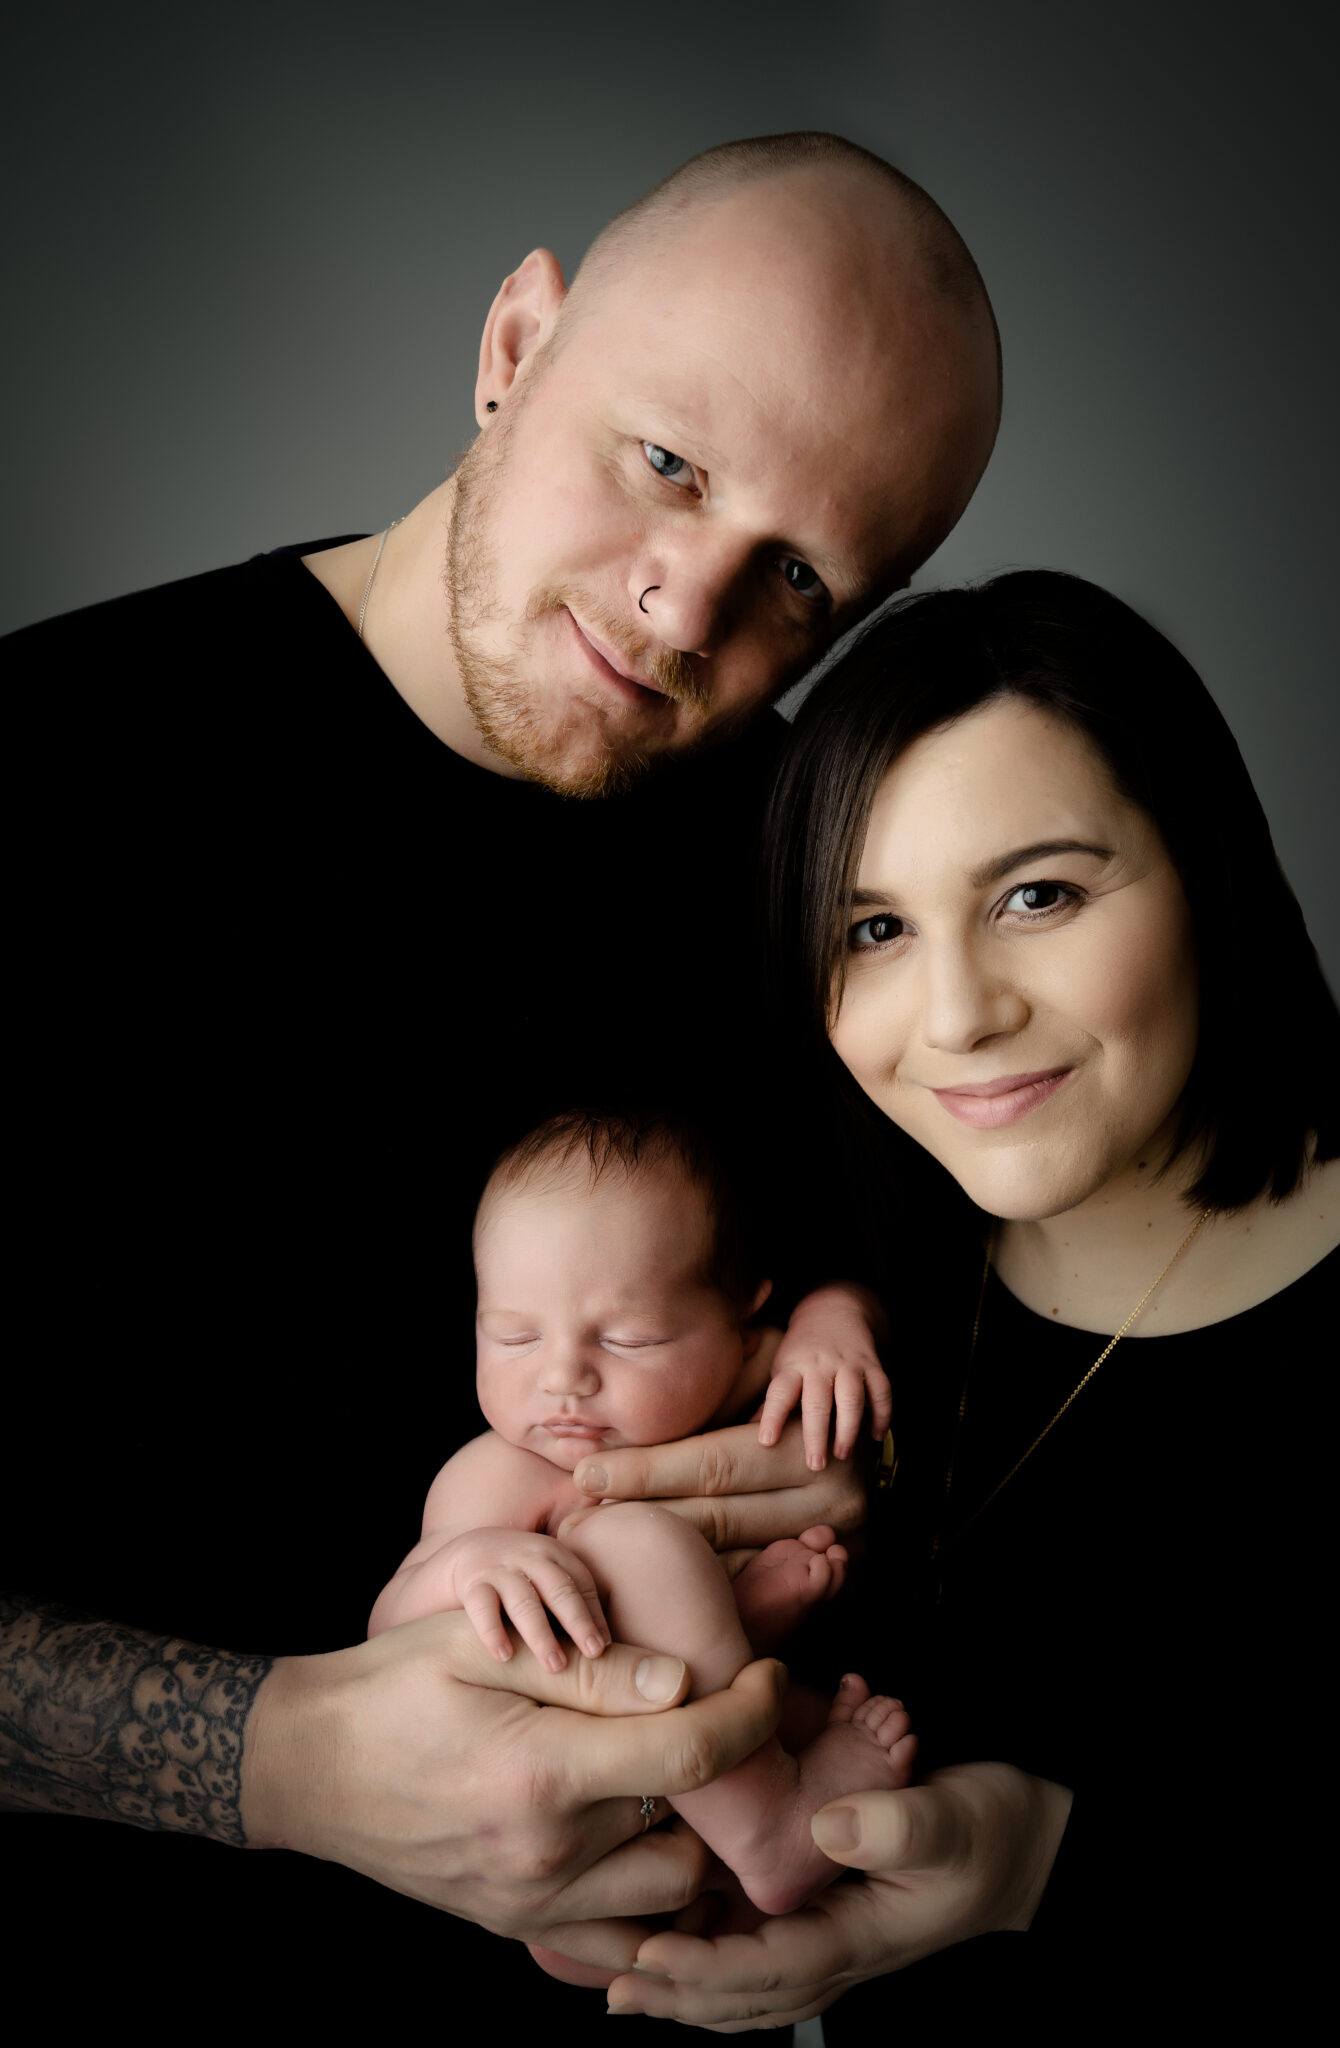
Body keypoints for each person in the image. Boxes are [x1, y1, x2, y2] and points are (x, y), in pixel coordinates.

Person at [2, 133, 999, 2024]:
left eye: (794, 576)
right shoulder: (46, 770)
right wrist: (264, 1755)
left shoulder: (838, 888)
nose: (686, 612)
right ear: (516, 342)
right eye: (668, 465)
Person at [591, 570, 1340, 2029]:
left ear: (1206, 871)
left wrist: (1047, 1866)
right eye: (871, 928)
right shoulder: (845, 1269)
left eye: (1037, 895)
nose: (953, 1018)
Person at [369, 1107, 907, 1940]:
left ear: (738, 1326)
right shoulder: (501, 1471)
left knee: (813, 1698)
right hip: (579, 1793)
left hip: (721, 1786)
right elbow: (387, 1635)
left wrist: (832, 1323)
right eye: (511, 1335)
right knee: (630, 1542)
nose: (562, 1377)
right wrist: (466, 1565)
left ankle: (761, 1793)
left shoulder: (729, 1381)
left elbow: (827, 1307)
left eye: (630, 1338)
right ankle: (771, 1825)